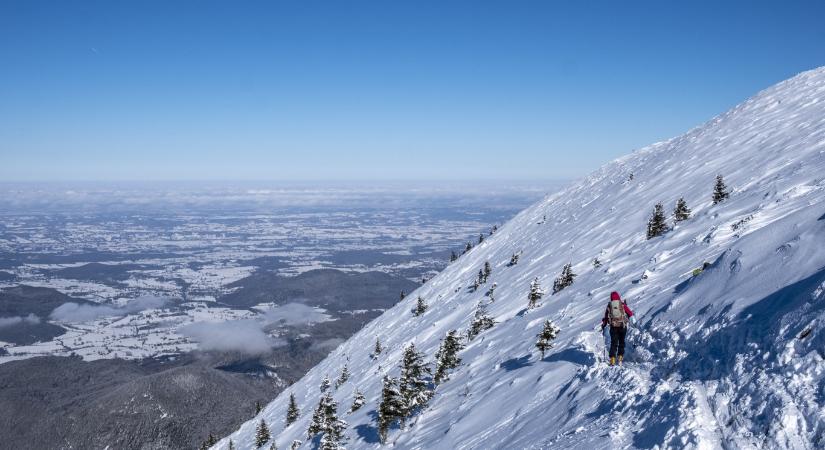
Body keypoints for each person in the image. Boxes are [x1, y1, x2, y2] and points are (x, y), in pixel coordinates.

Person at [600, 291, 634, 366]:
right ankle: (620, 357)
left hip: (613, 327)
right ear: (618, 297)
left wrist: (604, 324)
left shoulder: (609, 305)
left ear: (611, 298)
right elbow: (630, 313)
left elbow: (606, 317)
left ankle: (612, 359)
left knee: (614, 343)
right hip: (622, 326)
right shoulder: (622, 304)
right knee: (621, 342)